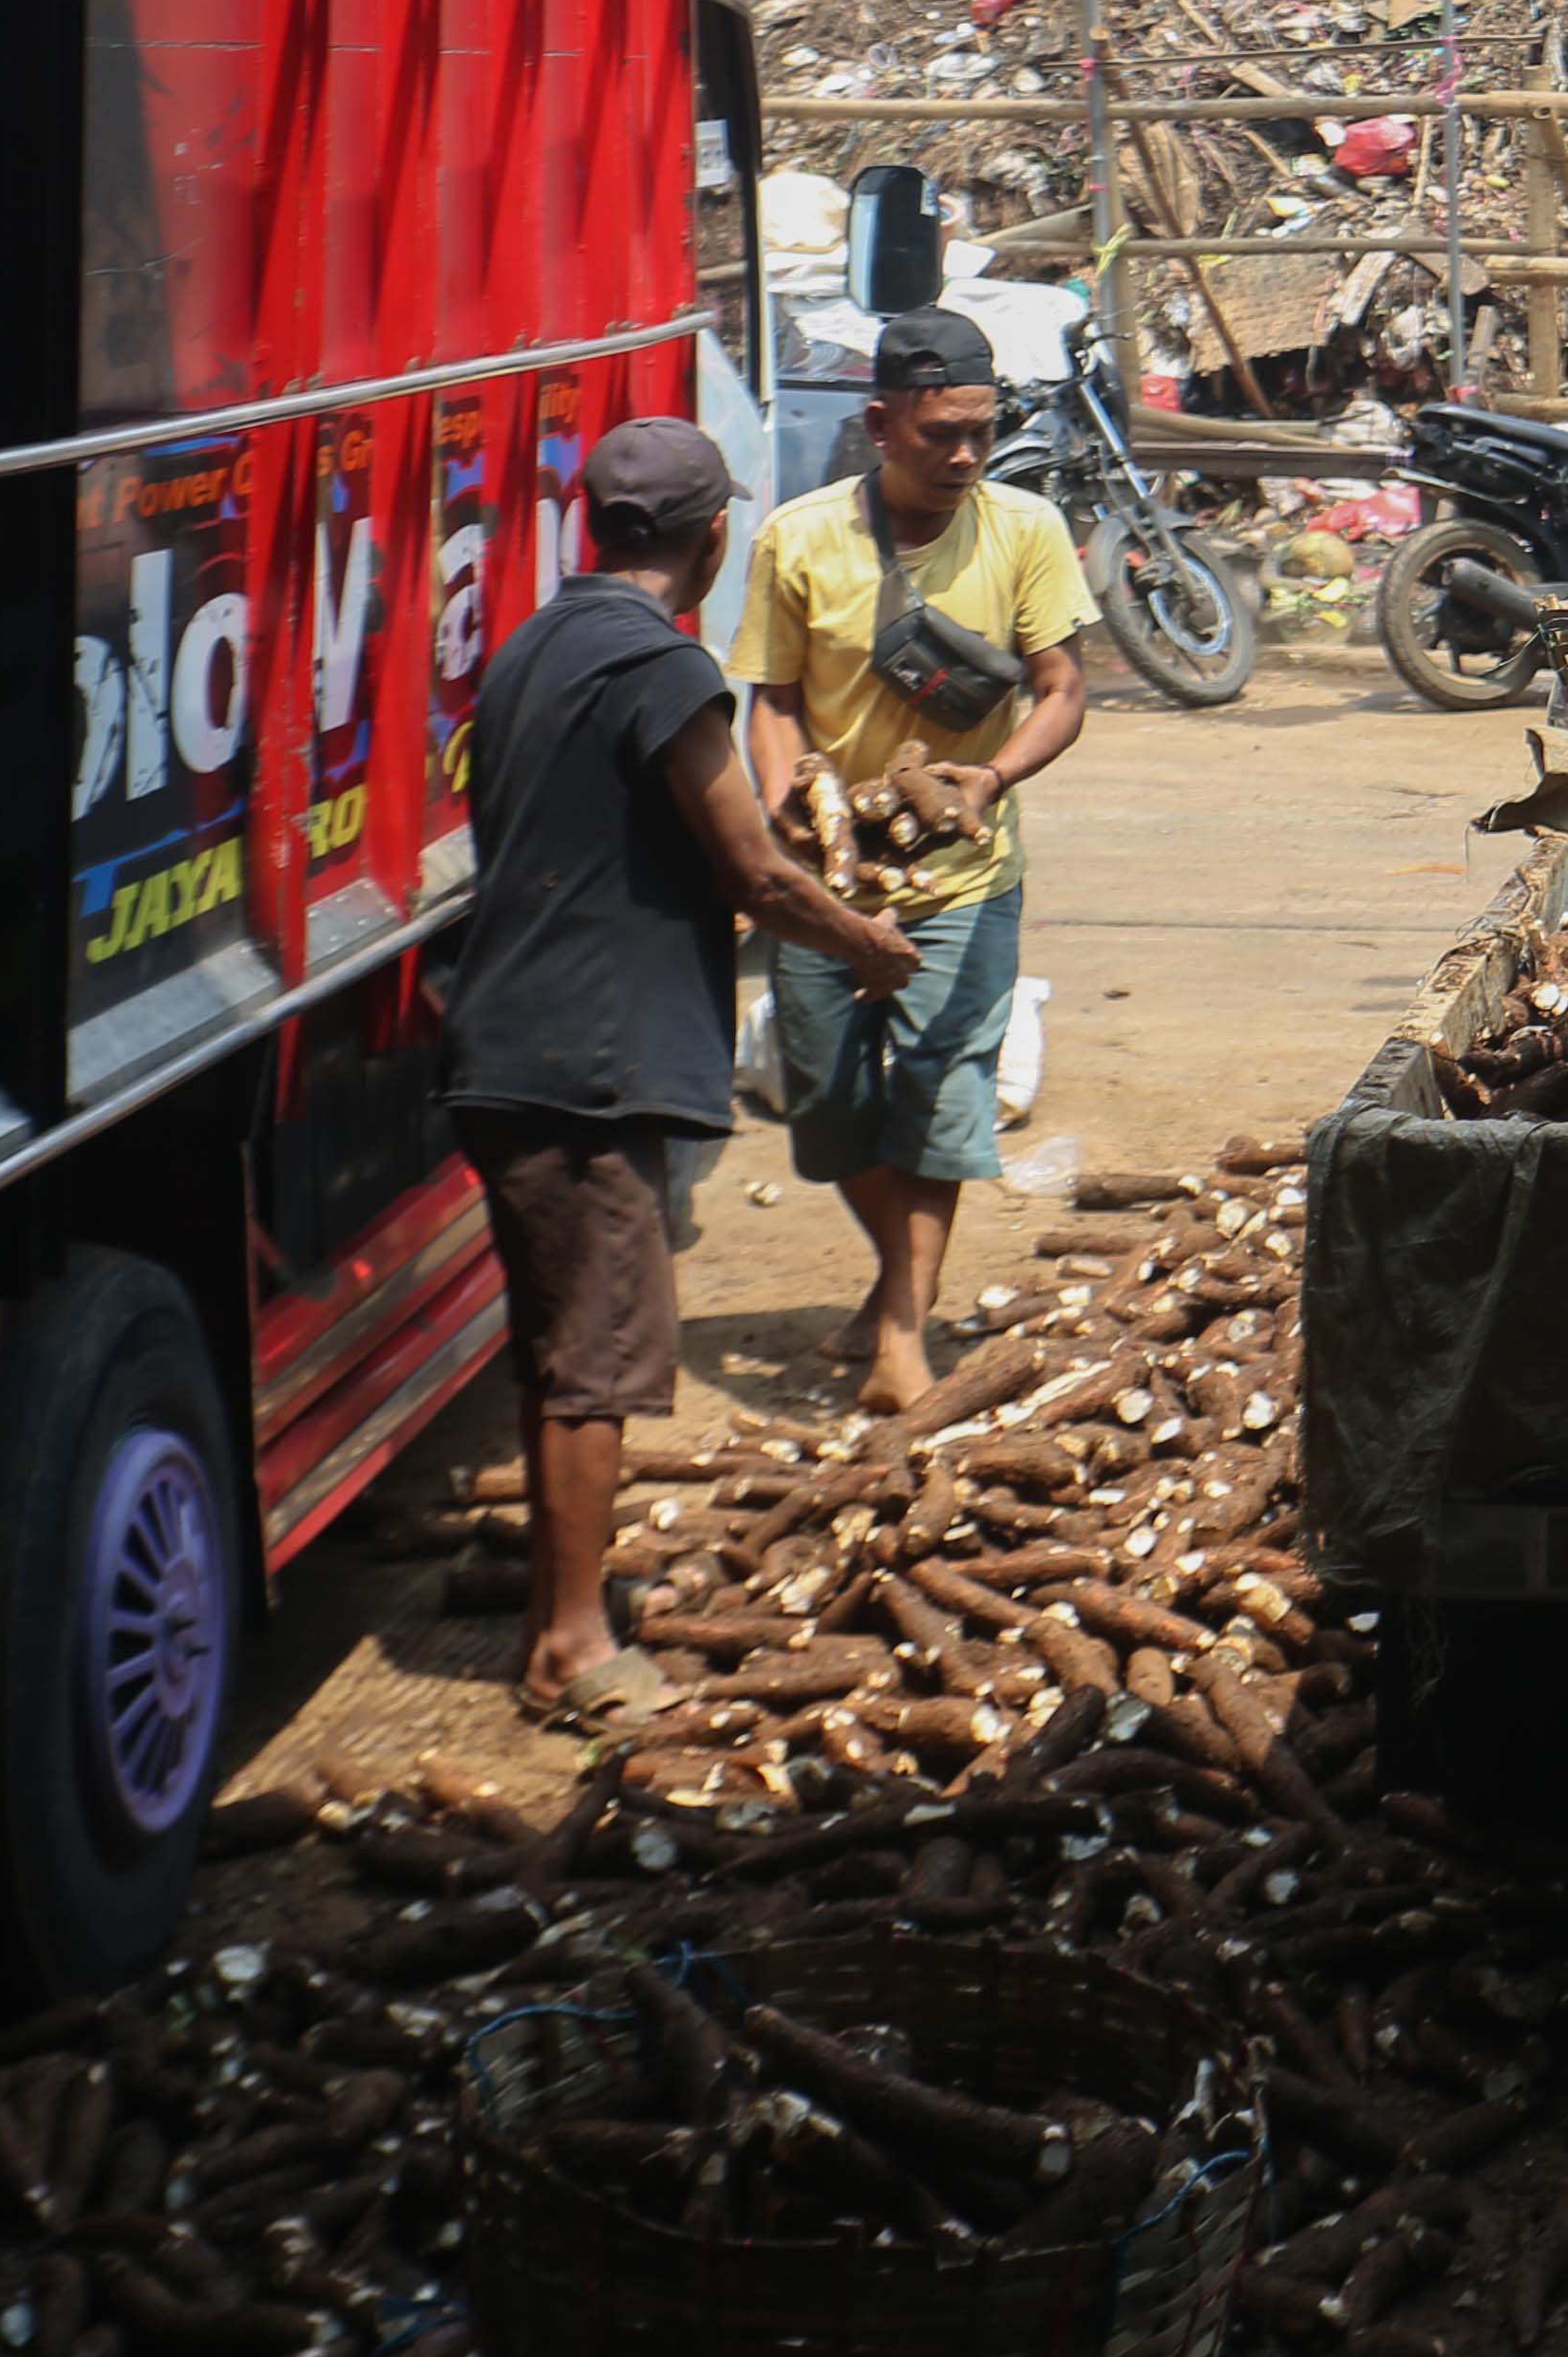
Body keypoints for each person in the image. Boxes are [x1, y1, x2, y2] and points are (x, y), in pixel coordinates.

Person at [438, 418, 918, 1725]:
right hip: (592, 1059)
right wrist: (866, 943)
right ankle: (575, 1652)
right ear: (715, 540)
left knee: (557, 1358)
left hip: (508, 1037)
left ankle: (561, 1613)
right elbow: (752, 865)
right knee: (597, 1363)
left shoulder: (533, 644)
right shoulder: (661, 668)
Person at [728, 303, 1102, 1416]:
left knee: (940, 1095)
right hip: (831, 883)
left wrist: (991, 779)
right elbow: (775, 704)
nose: (966, 455)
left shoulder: (1024, 529)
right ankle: (902, 1280)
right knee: (829, 1105)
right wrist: (792, 802)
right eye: (941, 432)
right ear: (882, 423)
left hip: (965, 879)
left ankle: (902, 1330)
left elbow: (1063, 690)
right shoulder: (798, 539)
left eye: (982, 430)